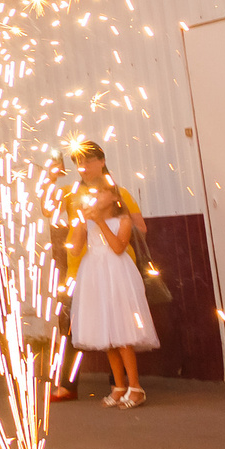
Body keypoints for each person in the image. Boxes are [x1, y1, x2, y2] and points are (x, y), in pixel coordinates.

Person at [61, 143, 157, 406]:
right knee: (105, 335)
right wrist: (80, 222)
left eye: (89, 161)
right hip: (91, 273)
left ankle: (134, 387)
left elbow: (121, 244)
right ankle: (118, 386)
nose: (83, 167)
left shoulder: (121, 207)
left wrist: (102, 220)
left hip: (117, 273)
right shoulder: (74, 200)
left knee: (121, 330)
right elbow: (76, 245)